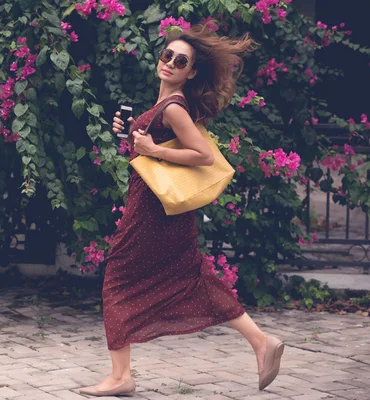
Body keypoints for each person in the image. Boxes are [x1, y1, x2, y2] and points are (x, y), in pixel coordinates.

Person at [78, 24, 285, 397]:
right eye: (167, 55)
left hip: (153, 212)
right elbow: (150, 150)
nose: (171, 63)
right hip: (157, 209)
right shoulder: (165, 107)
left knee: (118, 279)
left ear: (191, 72)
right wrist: (130, 135)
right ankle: (260, 341)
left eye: (181, 61)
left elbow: (202, 155)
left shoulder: (174, 108)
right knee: (190, 277)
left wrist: (153, 150)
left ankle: (121, 376)